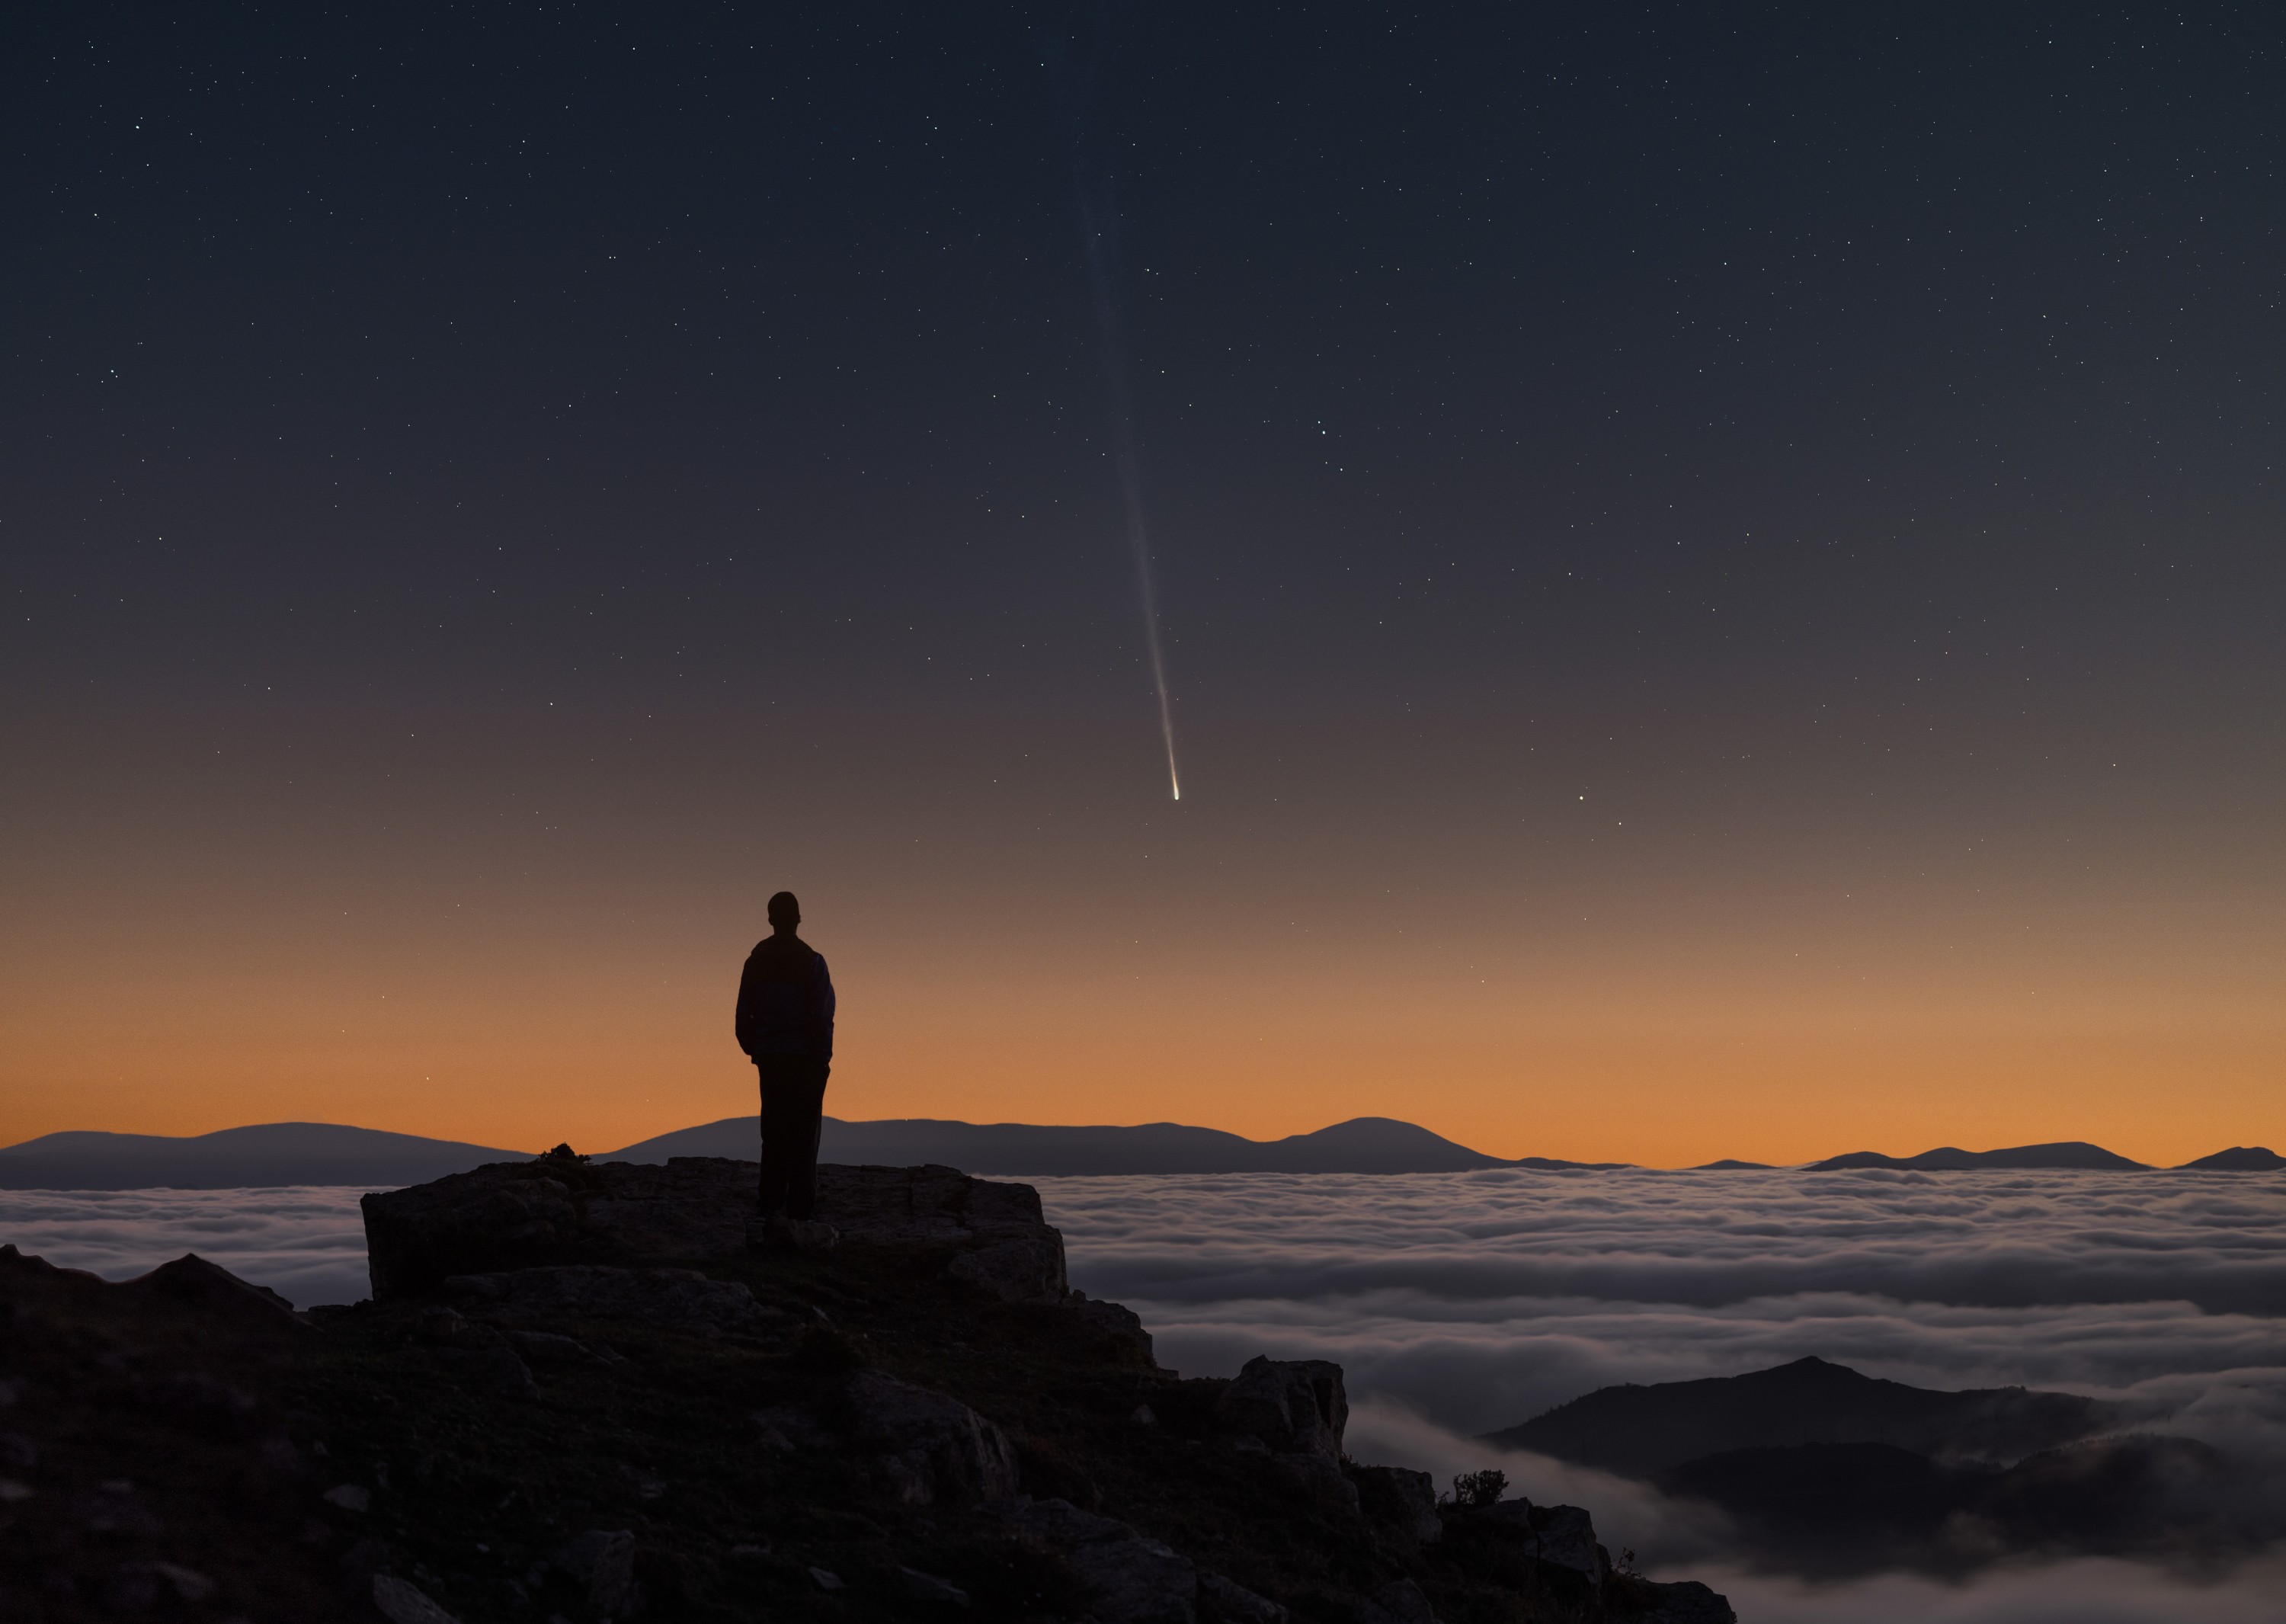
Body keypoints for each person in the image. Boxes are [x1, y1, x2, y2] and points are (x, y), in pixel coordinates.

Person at [734, 891, 836, 1219]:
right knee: (804, 1131)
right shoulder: (812, 960)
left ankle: (771, 1198)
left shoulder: (756, 960)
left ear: (770, 919)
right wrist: (822, 1056)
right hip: (805, 1057)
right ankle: (802, 1204)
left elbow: (743, 1010)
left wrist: (754, 1046)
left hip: (771, 1055)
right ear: (798, 919)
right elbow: (822, 1013)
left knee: (774, 1127)